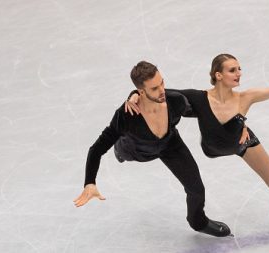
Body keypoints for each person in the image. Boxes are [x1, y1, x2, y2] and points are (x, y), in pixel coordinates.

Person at [126, 54, 269, 229]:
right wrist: (133, 95)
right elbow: (157, 93)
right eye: (233, 70)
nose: (239, 73)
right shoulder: (198, 98)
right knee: (192, 120)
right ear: (218, 75)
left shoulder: (245, 98)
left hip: (242, 143)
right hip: (212, 147)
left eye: (239, 69)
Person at [73, 60, 236, 237]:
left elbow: (205, 109)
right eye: (154, 89)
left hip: (170, 145)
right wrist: (90, 182)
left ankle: (198, 221)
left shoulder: (175, 100)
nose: (161, 91)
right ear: (141, 91)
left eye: (162, 83)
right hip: (136, 150)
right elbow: (96, 149)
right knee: (121, 148)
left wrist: (236, 124)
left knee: (196, 188)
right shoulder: (127, 115)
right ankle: (119, 151)